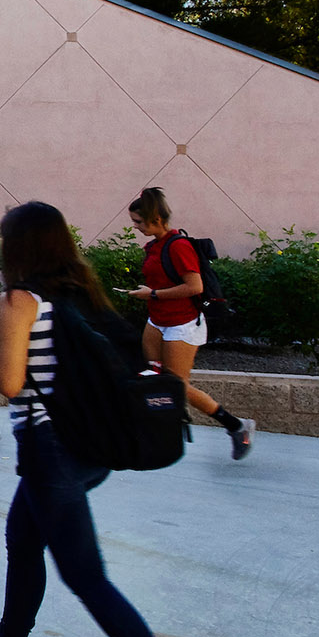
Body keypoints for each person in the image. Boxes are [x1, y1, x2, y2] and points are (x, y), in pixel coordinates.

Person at [0, 200, 227, 637]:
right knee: (22, 537)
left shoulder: (18, 300)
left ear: (17, 247)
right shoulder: (81, 292)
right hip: (88, 448)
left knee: (87, 578)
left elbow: (9, 381)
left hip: (50, 450)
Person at [126, 187, 253, 460]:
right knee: (151, 376)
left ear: (156, 219)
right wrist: (148, 291)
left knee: (176, 384)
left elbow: (194, 286)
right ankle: (159, 430)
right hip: (157, 320)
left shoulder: (179, 246)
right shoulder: (154, 246)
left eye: (138, 221)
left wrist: (154, 294)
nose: (135, 227)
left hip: (181, 324)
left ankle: (236, 425)